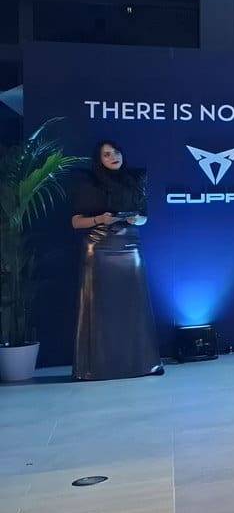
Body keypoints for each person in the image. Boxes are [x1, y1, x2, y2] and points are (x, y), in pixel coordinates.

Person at [70, 140, 162, 381]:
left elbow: (145, 217)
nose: (114, 157)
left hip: (130, 246)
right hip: (99, 247)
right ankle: (97, 368)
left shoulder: (135, 179)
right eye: (107, 154)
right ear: (99, 159)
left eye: (117, 153)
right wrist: (99, 219)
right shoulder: (88, 182)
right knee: (100, 309)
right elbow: (76, 222)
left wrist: (135, 220)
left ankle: (141, 364)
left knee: (133, 306)